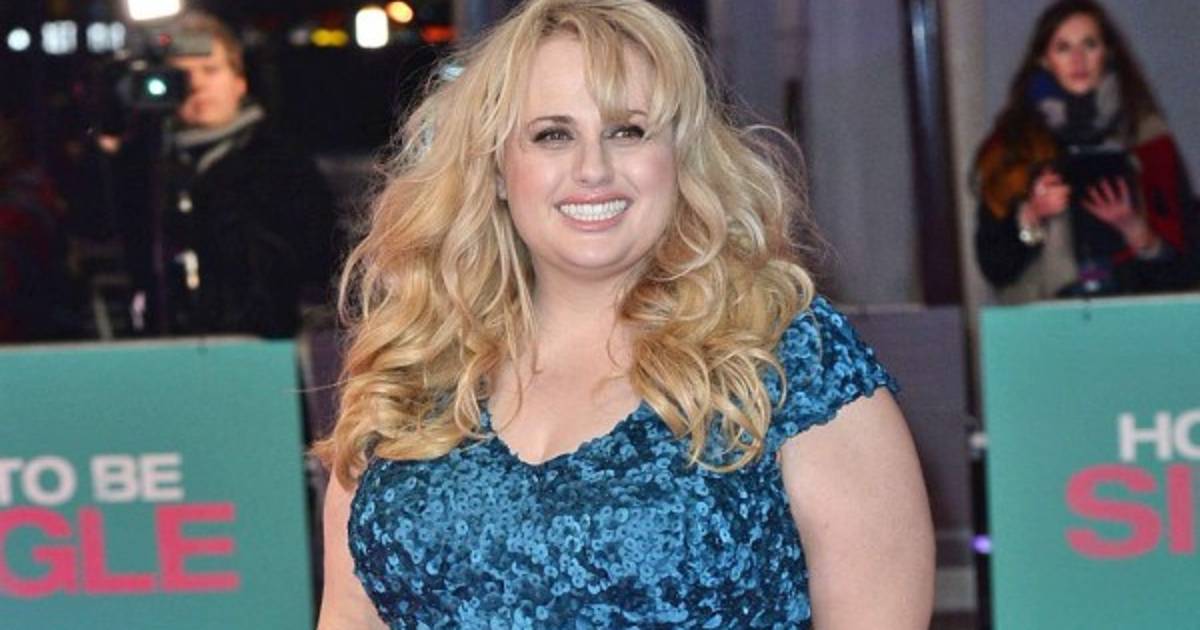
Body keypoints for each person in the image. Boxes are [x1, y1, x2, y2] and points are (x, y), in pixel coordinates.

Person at [316, 0, 933, 628]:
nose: (593, 168)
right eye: (553, 135)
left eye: (627, 131)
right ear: (497, 169)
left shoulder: (789, 363)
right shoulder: (415, 366)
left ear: (681, 157)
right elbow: (349, 616)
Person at [99, 10, 336, 337]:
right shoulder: (146, 163)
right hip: (162, 341)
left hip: (261, 342)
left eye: (210, 70)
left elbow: (316, 260)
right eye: (182, 74)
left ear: (239, 81)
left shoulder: (283, 163)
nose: (197, 85)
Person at [973, 0, 1199, 303]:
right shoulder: (1014, 144)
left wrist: (1139, 235)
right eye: (1063, 48)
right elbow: (995, 266)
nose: (1078, 59)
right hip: (1046, 322)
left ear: (1107, 53)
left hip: (1136, 318)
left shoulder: (1148, 139)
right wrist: (1032, 215)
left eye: (1089, 45)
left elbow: (1187, 267)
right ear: (1043, 60)